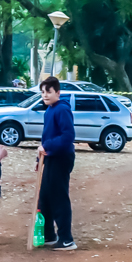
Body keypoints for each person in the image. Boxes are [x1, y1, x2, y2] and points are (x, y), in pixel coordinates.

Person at [37, 76, 77, 251]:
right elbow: (47, 136)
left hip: (62, 158)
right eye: (43, 92)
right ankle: (49, 235)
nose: (45, 95)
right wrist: (40, 158)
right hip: (50, 158)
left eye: (49, 91)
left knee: (59, 197)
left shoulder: (62, 109)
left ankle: (66, 239)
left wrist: (47, 146)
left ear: (57, 92)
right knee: (45, 195)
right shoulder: (49, 110)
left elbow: (68, 136)